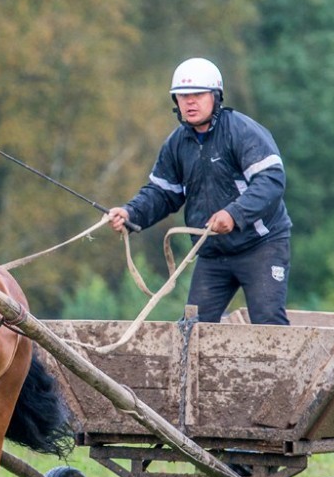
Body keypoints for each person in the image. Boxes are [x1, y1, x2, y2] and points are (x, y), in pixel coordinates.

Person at [108, 57, 291, 325]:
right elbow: (162, 193)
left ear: (215, 96)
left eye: (197, 94)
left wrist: (234, 214)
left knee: (268, 322)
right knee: (191, 328)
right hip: (212, 252)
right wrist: (130, 212)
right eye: (182, 96)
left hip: (261, 246)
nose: (189, 102)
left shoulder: (242, 132)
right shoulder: (176, 144)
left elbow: (271, 180)